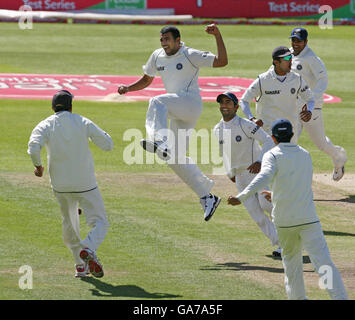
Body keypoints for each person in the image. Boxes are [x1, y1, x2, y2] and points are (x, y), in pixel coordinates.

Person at [227, 119, 348, 300]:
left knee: (291, 266)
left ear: (274, 138)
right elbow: (297, 184)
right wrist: (275, 194)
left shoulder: (272, 155)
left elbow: (264, 177)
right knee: (324, 264)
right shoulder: (305, 154)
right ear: (292, 135)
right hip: (308, 219)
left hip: (285, 223)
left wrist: (241, 197)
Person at [118, 24, 228, 221]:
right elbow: (146, 79)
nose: (164, 43)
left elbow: (222, 62)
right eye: (161, 39)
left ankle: (158, 140)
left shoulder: (189, 54)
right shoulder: (157, 55)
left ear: (178, 40)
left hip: (190, 103)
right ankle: (207, 197)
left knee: (157, 101)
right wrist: (129, 88)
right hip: (177, 109)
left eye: (167, 39)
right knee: (173, 157)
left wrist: (217, 35)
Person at [27, 90, 113, 278]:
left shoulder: (45, 124)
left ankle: (80, 265)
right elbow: (108, 144)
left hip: (61, 185)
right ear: (71, 106)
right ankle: (88, 248)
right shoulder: (82, 121)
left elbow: (33, 147)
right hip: (85, 183)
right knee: (101, 222)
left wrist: (38, 166)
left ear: (52, 108)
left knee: (70, 223)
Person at [213, 92, 281, 256]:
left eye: (228, 102)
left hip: (256, 172)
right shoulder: (217, 129)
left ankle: (292, 230)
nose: (224, 106)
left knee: (266, 205)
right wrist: (230, 172)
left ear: (236, 107)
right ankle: (281, 245)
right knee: (257, 215)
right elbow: (225, 153)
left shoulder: (246, 125)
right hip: (240, 177)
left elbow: (268, 140)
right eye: (222, 102)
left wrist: (259, 161)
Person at [289, 27, 347, 181]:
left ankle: (338, 157)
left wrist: (310, 100)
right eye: (294, 40)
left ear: (306, 42)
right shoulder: (288, 54)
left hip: (310, 108)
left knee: (320, 143)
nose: (296, 43)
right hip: (293, 106)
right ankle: (290, 178)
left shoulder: (312, 58)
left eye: (299, 41)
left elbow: (323, 80)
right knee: (289, 141)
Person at [239, 46, 314, 144]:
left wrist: (309, 111)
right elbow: (244, 101)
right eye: (286, 58)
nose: (290, 61)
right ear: (276, 62)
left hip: (290, 132)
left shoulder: (297, 79)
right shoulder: (263, 80)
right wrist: (252, 119)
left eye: (291, 57)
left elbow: (310, 99)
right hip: (268, 133)